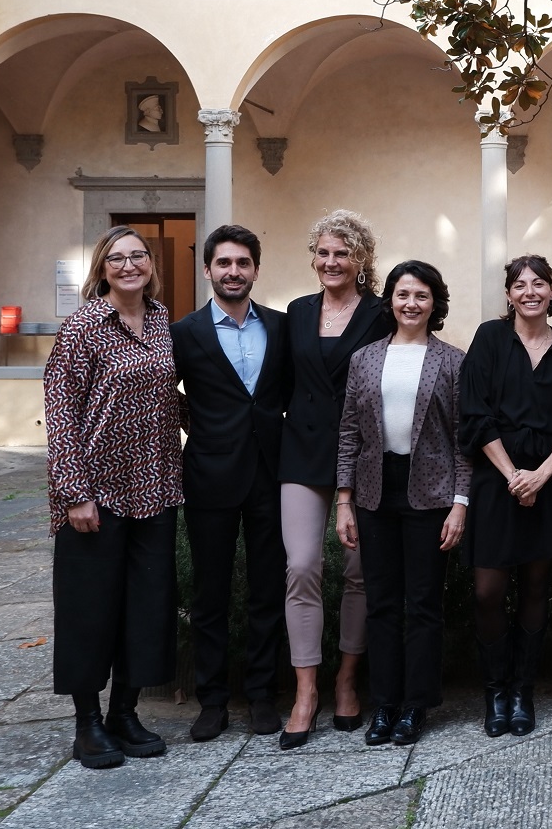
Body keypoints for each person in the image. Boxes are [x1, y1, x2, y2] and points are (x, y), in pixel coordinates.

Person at [43, 225, 183, 770]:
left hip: (157, 487)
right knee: (90, 610)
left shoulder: (162, 321)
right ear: (102, 268)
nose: (129, 265)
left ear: (151, 264)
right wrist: (75, 493)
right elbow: (61, 413)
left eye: (139, 256)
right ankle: (88, 725)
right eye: (118, 259)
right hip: (96, 492)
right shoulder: (82, 328)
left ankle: (125, 712)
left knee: (145, 608)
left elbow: (168, 397)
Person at [335, 260, 469, 747]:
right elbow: (349, 432)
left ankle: (416, 705)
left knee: (424, 604)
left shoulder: (452, 360)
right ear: (389, 300)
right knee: (382, 603)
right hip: (374, 491)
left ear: (435, 304)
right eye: (403, 294)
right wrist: (344, 500)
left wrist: (460, 504)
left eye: (422, 296)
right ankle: (385, 704)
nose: (411, 304)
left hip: (431, 493)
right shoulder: (365, 358)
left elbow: (462, 440)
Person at [460, 255, 552, 737]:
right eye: (520, 285)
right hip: (498, 481)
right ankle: (495, 690)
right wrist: (515, 474)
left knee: (537, 587)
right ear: (509, 294)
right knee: (488, 591)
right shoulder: (489, 339)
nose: (530, 291)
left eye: (539, 283)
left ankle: (522, 691)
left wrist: (540, 476)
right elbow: (474, 413)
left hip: (551, 481)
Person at [170, 224, 290, 743]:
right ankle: (212, 700)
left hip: (270, 472)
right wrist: (197, 424)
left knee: (267, 590)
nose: (234, 272)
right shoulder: (184, 332)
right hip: (210, 477)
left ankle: (263, 695)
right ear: (208, 270)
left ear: (256, 270)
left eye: (243, 263)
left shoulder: (282, 328)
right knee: (210, 594)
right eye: (224, 263)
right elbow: (160, 392)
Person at [279, 211, 394, 745]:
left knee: (359, 572)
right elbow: (278, 384)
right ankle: (306, 691)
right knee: (301, 566)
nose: (331, 262)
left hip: (363, 455)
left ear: (361, 260)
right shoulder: (297, 312)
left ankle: (347, 680)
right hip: (301, 452)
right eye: (323, 252)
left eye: (342, 254)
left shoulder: (380, 313)